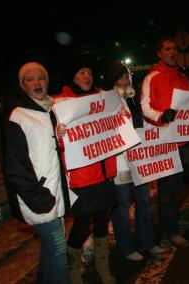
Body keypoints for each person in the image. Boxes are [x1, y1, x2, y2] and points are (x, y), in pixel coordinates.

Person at [0, 62, 71, 284]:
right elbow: (15, 167)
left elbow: (45, 152)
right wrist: (40, 199)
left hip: (54, 195)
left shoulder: (50, 110)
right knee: (59, 250)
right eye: (30, 79)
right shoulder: (18, 116)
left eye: (41, 77)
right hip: (39, 199)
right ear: (22, 85)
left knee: (51, 252)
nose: (37, 82)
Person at [53, 60, 117, 284]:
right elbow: (57, 144)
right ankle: (73, 269)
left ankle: (103, 266)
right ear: (73, 77)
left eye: (89, 72)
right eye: (81, 72)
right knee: (81, 224)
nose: (87, 76)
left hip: (104, 172)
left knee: (101, 220)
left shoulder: (101, 99)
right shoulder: (61, 103)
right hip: (82, 176)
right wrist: (59, 134)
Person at [105, 61, 165, 261]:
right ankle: (126, 247)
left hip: (138, 159)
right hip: (120, 161)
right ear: (114, 78)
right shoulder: (107, 100)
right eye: (122, 76)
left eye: (127, 76)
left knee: (143, 202)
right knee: (121, 207)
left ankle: (147, 242)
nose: (125, 79)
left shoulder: (132, 99)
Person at [140, 37, 189, 248]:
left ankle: (173, 221)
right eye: (168, 49)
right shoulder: (152, 77)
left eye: (175, 49)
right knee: (167, 190)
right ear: (159, 53)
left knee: (177, 186)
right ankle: (169, 231)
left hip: (180, 141)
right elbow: (145, 106)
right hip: (163, 143)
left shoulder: (182, 77)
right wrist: (161, 116)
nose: (172, 52)